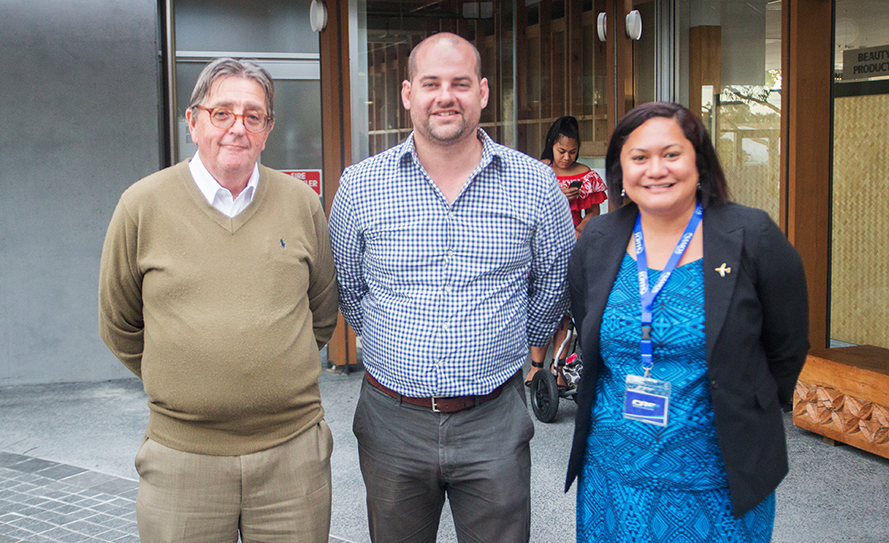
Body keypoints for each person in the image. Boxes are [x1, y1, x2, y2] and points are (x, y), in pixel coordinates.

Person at [329, 33, 574, 543]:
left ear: (482, 92)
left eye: (460, 83)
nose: (446, 96)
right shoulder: (360, 185)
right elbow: (348, 284)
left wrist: (524, 348)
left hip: (494, 420)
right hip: (392, 420)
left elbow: (556, 277)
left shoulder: (535, 184)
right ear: (407, 93)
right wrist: (387, 346)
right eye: (431, 83)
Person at [99, 58, 338, 543]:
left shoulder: (301, 203)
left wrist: (268, 367)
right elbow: (118, 322)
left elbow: (322, 312)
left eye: (254, 116)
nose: (238, 128)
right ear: (193, 122)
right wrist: (184, 378)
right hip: (182, 461)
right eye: (221, 112)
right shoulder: (141, 205)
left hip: (292, 458)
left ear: (268, 129)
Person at [564, 102, 809, 542]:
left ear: (699, 160)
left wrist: (748, 404)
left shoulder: (752, 237)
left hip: (716, 479)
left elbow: (786, 347)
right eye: (639, 157)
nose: (656, 169)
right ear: (620, 167)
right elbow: (589, 330)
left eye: (671, 154)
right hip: (613, 475)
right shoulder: (597, 242)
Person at [525, 116, 608, 388]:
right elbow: (529, 212)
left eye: (572, 152)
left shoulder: (586, 175)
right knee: (543, 306)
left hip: (575, 248)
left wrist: (578, 230)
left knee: (566, 311)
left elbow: (594, 213)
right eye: (561, 151)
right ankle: (536, 367)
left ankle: (557, 367)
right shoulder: (538, 173)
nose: (567, 157)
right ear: (552, 145)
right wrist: (560, 199)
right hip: (544, 249)